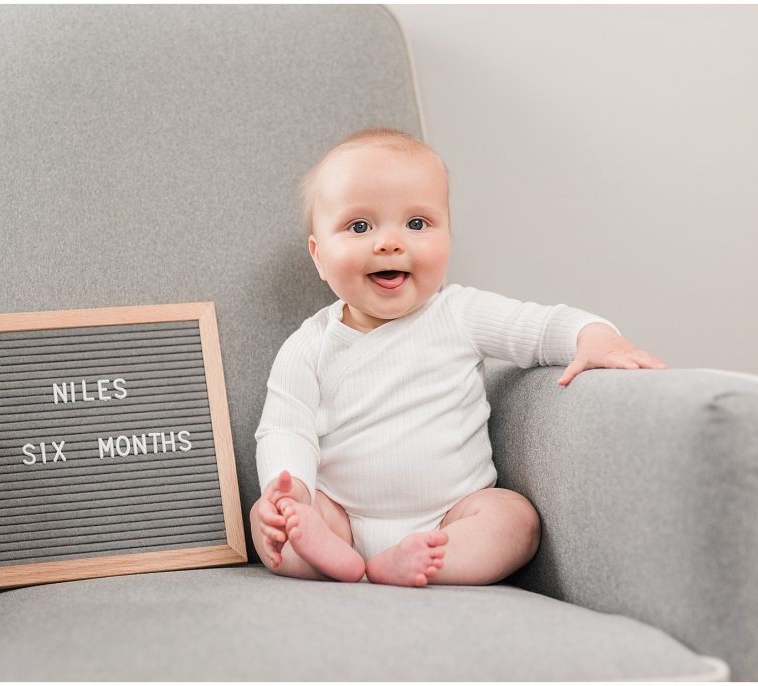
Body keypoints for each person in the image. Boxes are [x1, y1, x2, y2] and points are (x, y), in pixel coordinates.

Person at [249, 128, 665, 587]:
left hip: (452, 515)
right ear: (319, 256)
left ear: (448, 236)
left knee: (515, 518)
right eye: (360, 226)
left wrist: (596, 337)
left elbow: (541, 326)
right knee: (272, 527)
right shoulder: (309, 346)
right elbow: (286, 427)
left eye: (417, 224)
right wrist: (289, 492)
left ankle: (415, 565)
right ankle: (327, 550)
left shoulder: (459, 314)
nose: (390, 243)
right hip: (343, 513)